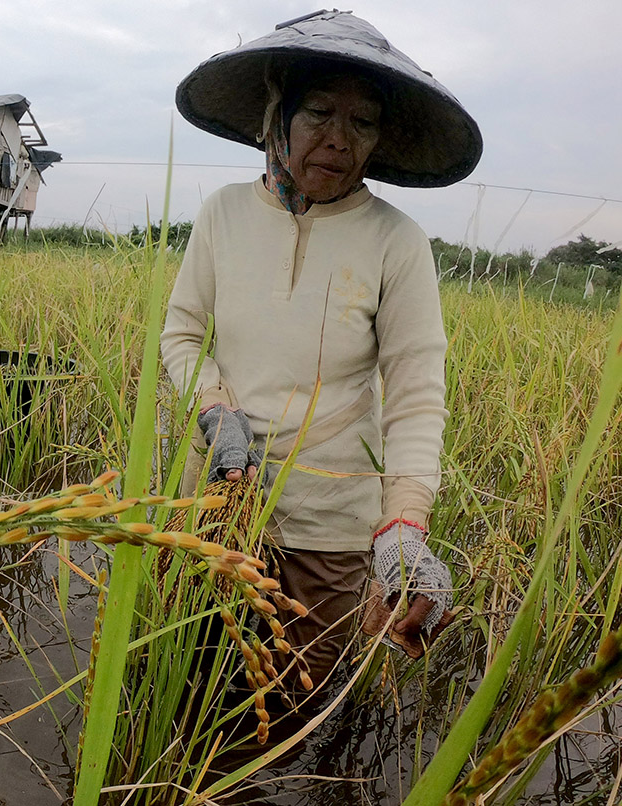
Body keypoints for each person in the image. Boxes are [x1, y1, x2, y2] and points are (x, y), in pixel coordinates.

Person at [162, 11, 481, 692]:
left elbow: (417, 393)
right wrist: (216, 410)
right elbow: (182, 336)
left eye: (363, 122)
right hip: (215, 498)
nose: (339, 140)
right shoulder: (222, 214)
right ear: (275, 119)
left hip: (327, 524)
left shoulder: (397, 242)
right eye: (318, 113)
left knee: (296, 696)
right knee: (184, 674)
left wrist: (404, 527)